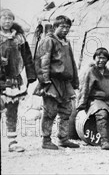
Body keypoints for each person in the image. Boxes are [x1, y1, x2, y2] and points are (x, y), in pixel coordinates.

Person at [33, 15, 80, 150]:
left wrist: (75, 81)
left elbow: (72, 62)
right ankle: (46, 140)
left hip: (65, 83)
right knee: (50, 111)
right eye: (62, 27)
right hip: (52, 81)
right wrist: (44, 80)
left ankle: (63, 138)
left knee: (66, 110)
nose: (65, 30)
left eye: (68, 27)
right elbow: (43, 60)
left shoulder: (66, 42)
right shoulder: (48, 41)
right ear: (55, 27)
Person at [0, 8, 36, 152]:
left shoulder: (19, 37)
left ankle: (12, 142)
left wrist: (31, 75)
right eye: (4, 18)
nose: (7, 21)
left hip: (13, 79)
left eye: (10, 18)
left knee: (12, 110)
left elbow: (27, 57)